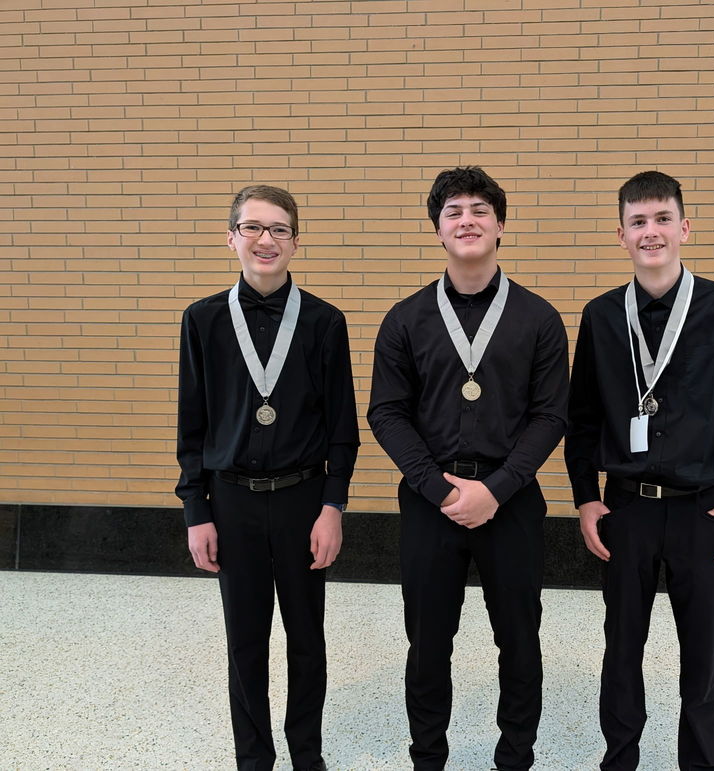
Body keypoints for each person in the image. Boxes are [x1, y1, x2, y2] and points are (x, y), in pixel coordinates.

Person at [564, 170, 714, 770]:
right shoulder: (602, 316)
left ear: (685, 227)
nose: (651, 232)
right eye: (638, 222)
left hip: (704, 511)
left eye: (663, 219)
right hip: (626, 510)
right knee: (621, 651)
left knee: (702, 658)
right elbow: (581, 419)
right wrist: (586, 497)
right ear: (621, 235)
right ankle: (621, 760)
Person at [367, 166, 568, 770]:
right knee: (427, 645)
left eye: (480, 210)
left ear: (501, 225)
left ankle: (515, 758)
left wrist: (499, 489)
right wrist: (437, 488)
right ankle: (428, 757)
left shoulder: (538, 318)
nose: (468, 220)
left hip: (512, 501)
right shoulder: (405, 319)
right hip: (431, 501)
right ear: (437, 229)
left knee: (519, 642)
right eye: (454, 211)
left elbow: (551, 415)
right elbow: (386, 412)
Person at [176, 185, 359, 771]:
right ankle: (253, 758)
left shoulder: (326, 322)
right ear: (232, 238)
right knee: (245, 644)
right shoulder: (201, 320)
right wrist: (195, 511)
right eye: (253, 228)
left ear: (295, 244)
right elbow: (192, 426)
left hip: (305, 499)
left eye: (279, 229)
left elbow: (342, 431)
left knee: (308, 641)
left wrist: (332, 508)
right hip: (231, 502)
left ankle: (308, 754)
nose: (265, 240)